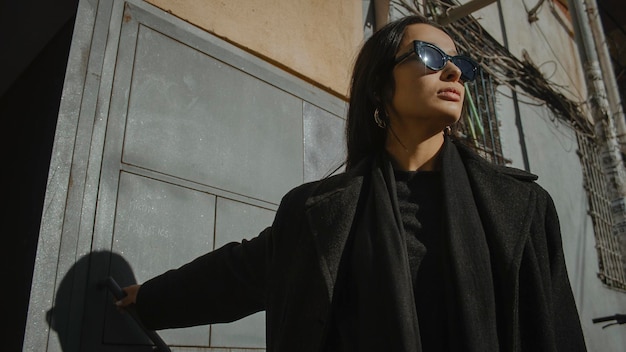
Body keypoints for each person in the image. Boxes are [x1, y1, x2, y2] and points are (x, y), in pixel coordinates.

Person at [117, 14, 587, 351]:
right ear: (381, 88)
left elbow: (560, 330)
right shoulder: (317, 213)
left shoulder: (521, 206)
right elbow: (240, 273)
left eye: (461, 65)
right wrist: (149, 299)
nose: (453, 71)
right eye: (430, 55)